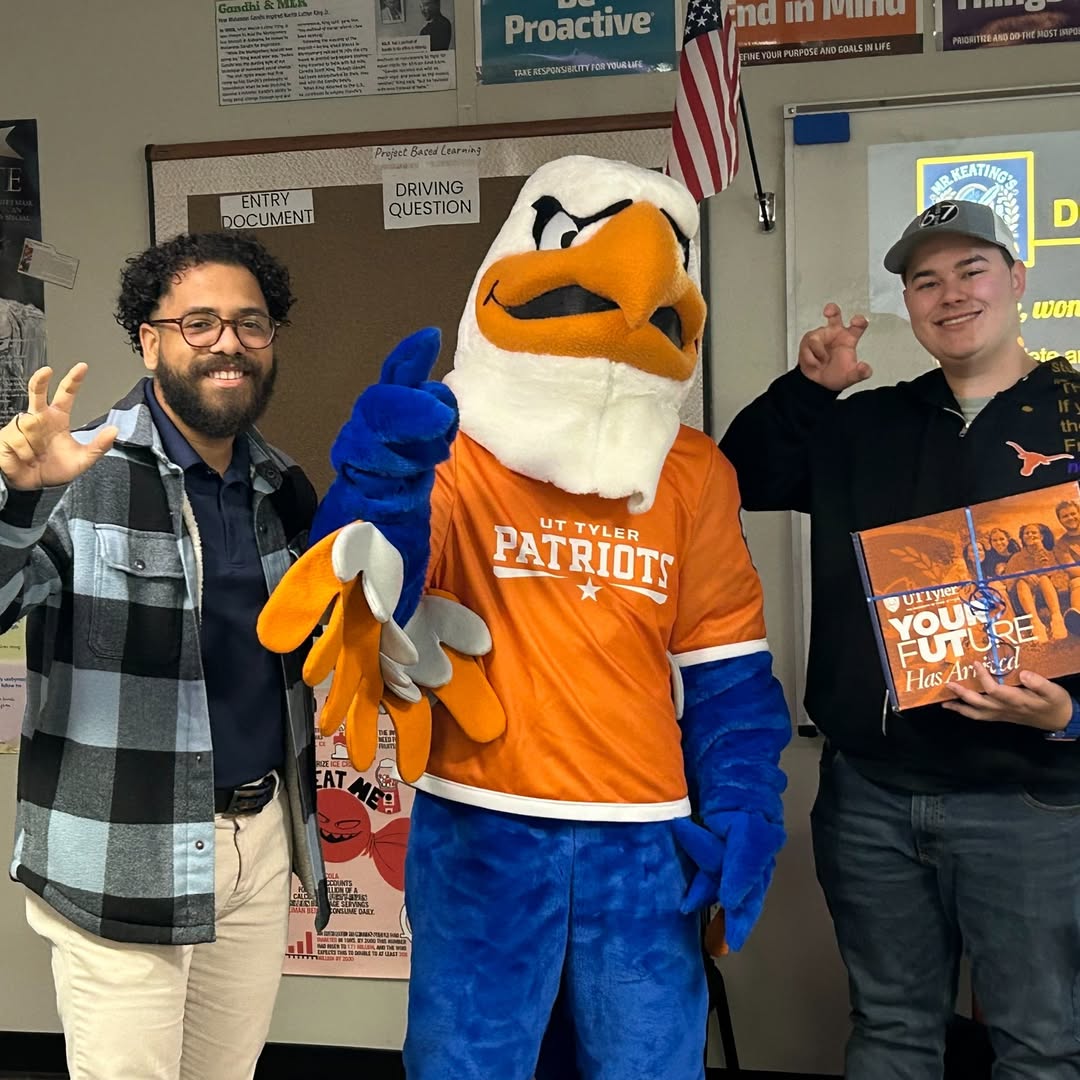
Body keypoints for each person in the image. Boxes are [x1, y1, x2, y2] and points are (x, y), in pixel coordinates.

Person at [722, 199, 1080, 1079]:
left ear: (1018, 280)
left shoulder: (1072, 412)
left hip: (1030, 800)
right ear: (908, 304)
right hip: (873, 796)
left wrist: (1070, 712)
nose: (950, 294)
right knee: (890, 1031)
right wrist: (810, 390)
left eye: (971, 270)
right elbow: (739, 473)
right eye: (926, 279)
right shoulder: (865, 423)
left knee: (1041, 1044)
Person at [2, 232, 329, 1080]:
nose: (228, 341)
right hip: (121, 848)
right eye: (199, 321)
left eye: (251, 323)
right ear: (149, 339)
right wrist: (21, 501)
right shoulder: (77, 468)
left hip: (259, 844)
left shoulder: (284, 488)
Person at [1004, 521, 1068, 641]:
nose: (1030, 535)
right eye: (1026, 533)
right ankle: (1036, 623)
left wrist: (1040, 550)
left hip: (1048, 591)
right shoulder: (1016, 558)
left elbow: (1056, 574)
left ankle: (1057, 619)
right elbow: (1008, 582)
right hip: (1024, 596)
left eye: (1034, 532)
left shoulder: (1050, 553)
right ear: (1022, 538)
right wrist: (1021, 575)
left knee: (1043, 578)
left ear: (1041, 536)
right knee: (1021, 582)